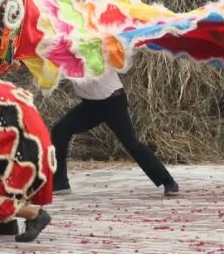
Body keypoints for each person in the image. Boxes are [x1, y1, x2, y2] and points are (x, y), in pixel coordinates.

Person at [50, 70, 180, 196]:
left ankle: (167, 181)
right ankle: (60, 183)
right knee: (60, 130)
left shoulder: (94, 50)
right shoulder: (63, 57)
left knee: (131, 144)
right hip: (90, 105)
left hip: (113, 102)